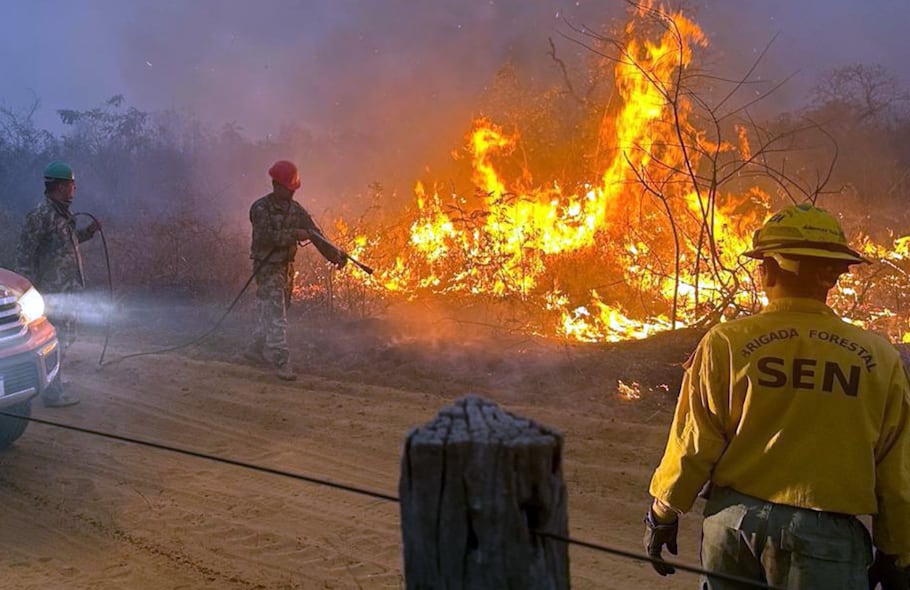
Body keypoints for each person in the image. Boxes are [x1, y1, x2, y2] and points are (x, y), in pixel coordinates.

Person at [643, 203, 910, 589]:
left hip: (733, 531)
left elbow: (693, 444)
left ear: (766, 270)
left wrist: (662, 513)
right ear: (833, 276)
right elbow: (897, 472)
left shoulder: (727, 343)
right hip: (825, 543)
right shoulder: (878, 358)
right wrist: (897, 552)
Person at [245, 160, 347, 381]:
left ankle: (254, 350)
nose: (291, 193)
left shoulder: (296, 210)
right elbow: (265, 237)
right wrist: (295, 234)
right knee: (276, 314)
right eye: (288, 188)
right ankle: (281, 362)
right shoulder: (260, 208)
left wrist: (335, 255)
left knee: (274, 311)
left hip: (286, 268)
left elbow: (315, 234)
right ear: (275, 185)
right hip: (267, 268)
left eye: (293, 189)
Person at [16, 161, 101, 408]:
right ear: (62, 186)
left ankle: (55, 379)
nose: (75, 188)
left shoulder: (63, 214)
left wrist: (90, 232)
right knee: (56, 339)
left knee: (67, 336)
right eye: (72, 184)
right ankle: (53, 392)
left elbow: (67, 244)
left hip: (68, 290)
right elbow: (25, 255)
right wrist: (27, 294)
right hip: (50, 293)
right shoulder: (41, 216)